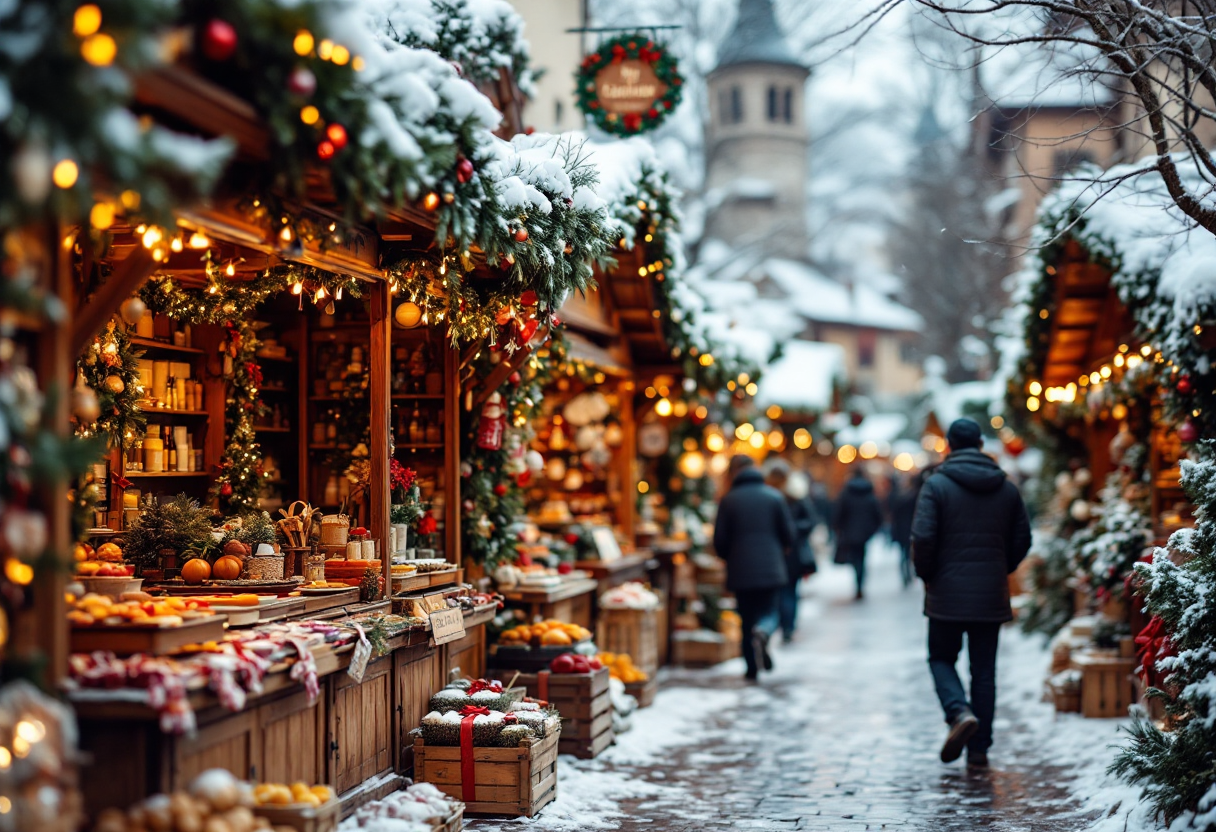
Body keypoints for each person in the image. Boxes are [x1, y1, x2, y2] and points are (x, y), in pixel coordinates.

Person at [911, 418, 1031, 769]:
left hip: (945, 593)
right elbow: (1023, 539)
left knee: (940, 658)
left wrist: (928, 574)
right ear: (981, 443)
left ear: (948, 445)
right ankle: (979, 748)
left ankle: (958, 712)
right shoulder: (1006, 488)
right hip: (990, 595)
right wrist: (998, 569)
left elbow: (923, 537)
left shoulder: (936, 485)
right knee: (984, 670)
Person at [713, 455, 795, 680]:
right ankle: (765, 632)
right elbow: (789, 534)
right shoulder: (775, 497)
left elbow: (719, 540)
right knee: (769, 611)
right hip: (771, 566)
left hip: (741, 569)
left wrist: (728, 556)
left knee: (746, 619)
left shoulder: (728, 500)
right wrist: (782, 550)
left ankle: (751, 669)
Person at [765, 459, 819, 643]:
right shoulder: (776, 496)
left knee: (784, 591)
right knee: (787, 591)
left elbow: (810, 521)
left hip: (786, 551)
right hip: (781, 551)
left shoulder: (793, 496)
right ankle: (786, 626)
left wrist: (791, 531)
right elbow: (810, 521)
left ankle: (784, 626)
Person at [832, 468, 883, 600]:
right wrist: (873, 529)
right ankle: (860, 583)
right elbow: (877, 513)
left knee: (855, 558)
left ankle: (858, 582)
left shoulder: (846, 493)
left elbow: (840, 512)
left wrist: (838, 528)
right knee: (862, 557)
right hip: (865, 533)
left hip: (850, 531)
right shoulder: (869, 493)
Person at [889, 470, 922, 588]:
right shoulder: (915, 498)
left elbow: (893, 516)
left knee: (903, 553)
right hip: (910, 528)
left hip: (902, 529)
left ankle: (905, 574)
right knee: (907, 553)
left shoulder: (899, 497)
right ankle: (908, 574)